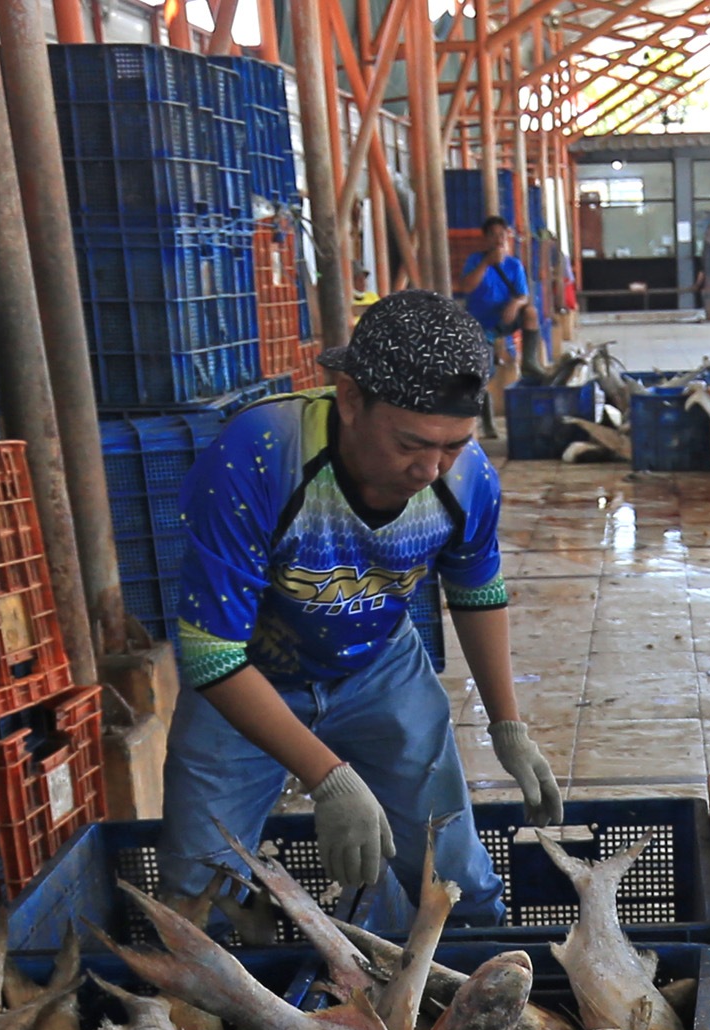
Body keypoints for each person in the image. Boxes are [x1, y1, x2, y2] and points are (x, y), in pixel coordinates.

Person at [163, 292, 561, 937]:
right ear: (349, 398)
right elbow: (210, 654)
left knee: (454, 877)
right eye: (410, 443)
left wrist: (508, 726)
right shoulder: (259, 455)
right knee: (197, 896)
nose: (429, 469)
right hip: (246, 681)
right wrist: (327, 777)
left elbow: (475, 590)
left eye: (453, 445)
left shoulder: (468, 479)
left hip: (381, 667)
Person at [459, 217, 547, 382]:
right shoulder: (475, 260)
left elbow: (523, 296)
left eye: (502, 235)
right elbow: (467, 287)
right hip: (479, 322)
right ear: (486, 239)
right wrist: (486, 263)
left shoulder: (514, 265)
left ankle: (529, 363)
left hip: (505, 318)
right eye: (493, 235)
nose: (498, 239)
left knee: (530, 312)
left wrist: (515, 304)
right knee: (486, 370)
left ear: (507, 237)